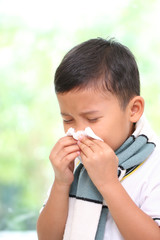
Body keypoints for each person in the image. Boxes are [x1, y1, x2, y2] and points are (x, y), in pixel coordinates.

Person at [37, 38, 160, 240]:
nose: (78, 131)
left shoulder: (154, 165)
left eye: (92, 119)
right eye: (67, 119)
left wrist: (108, 183)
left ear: (134, 110)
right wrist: (61, 183)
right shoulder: (76, 165)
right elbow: (47, 237)